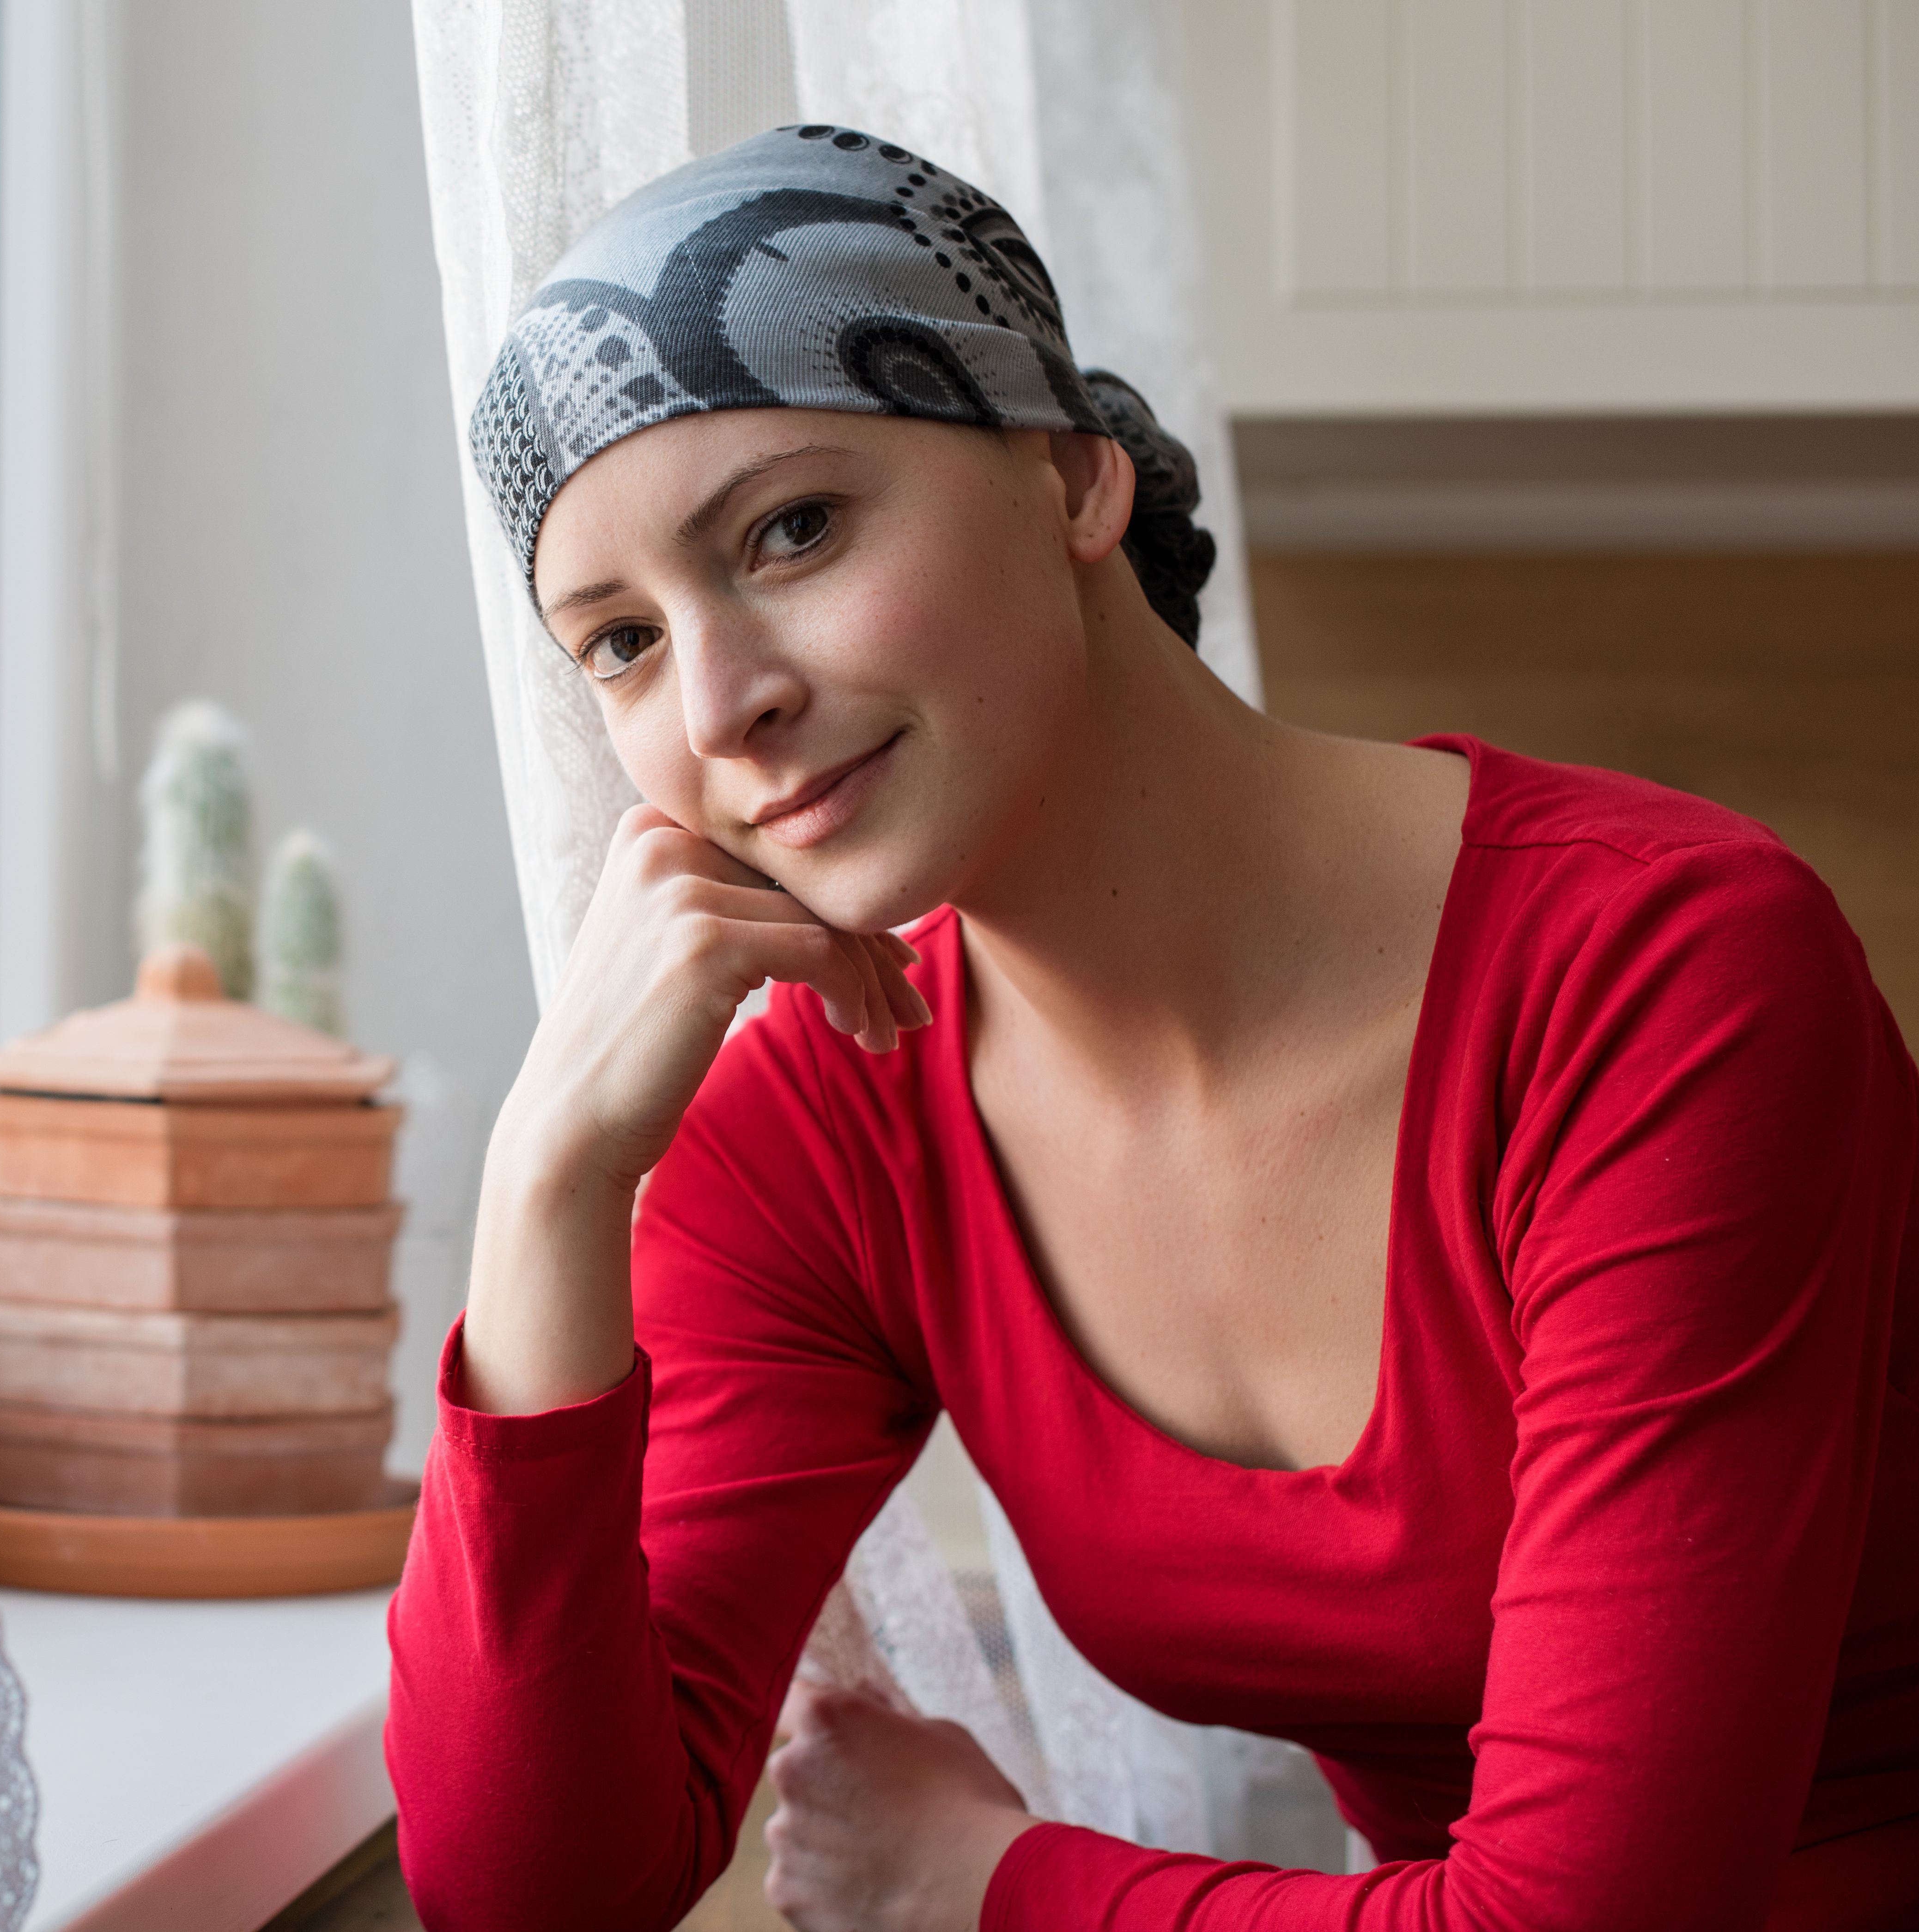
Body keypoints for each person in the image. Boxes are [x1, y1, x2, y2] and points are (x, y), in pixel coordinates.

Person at [385, 125, 1919, 1931]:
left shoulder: (1659, 978)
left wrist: (982, 1878)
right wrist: (549, 1180)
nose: (727, 701)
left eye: (792, 528)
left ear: (1068, 477)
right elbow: (529, 1888)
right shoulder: (826, 1120)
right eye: (622, 639)